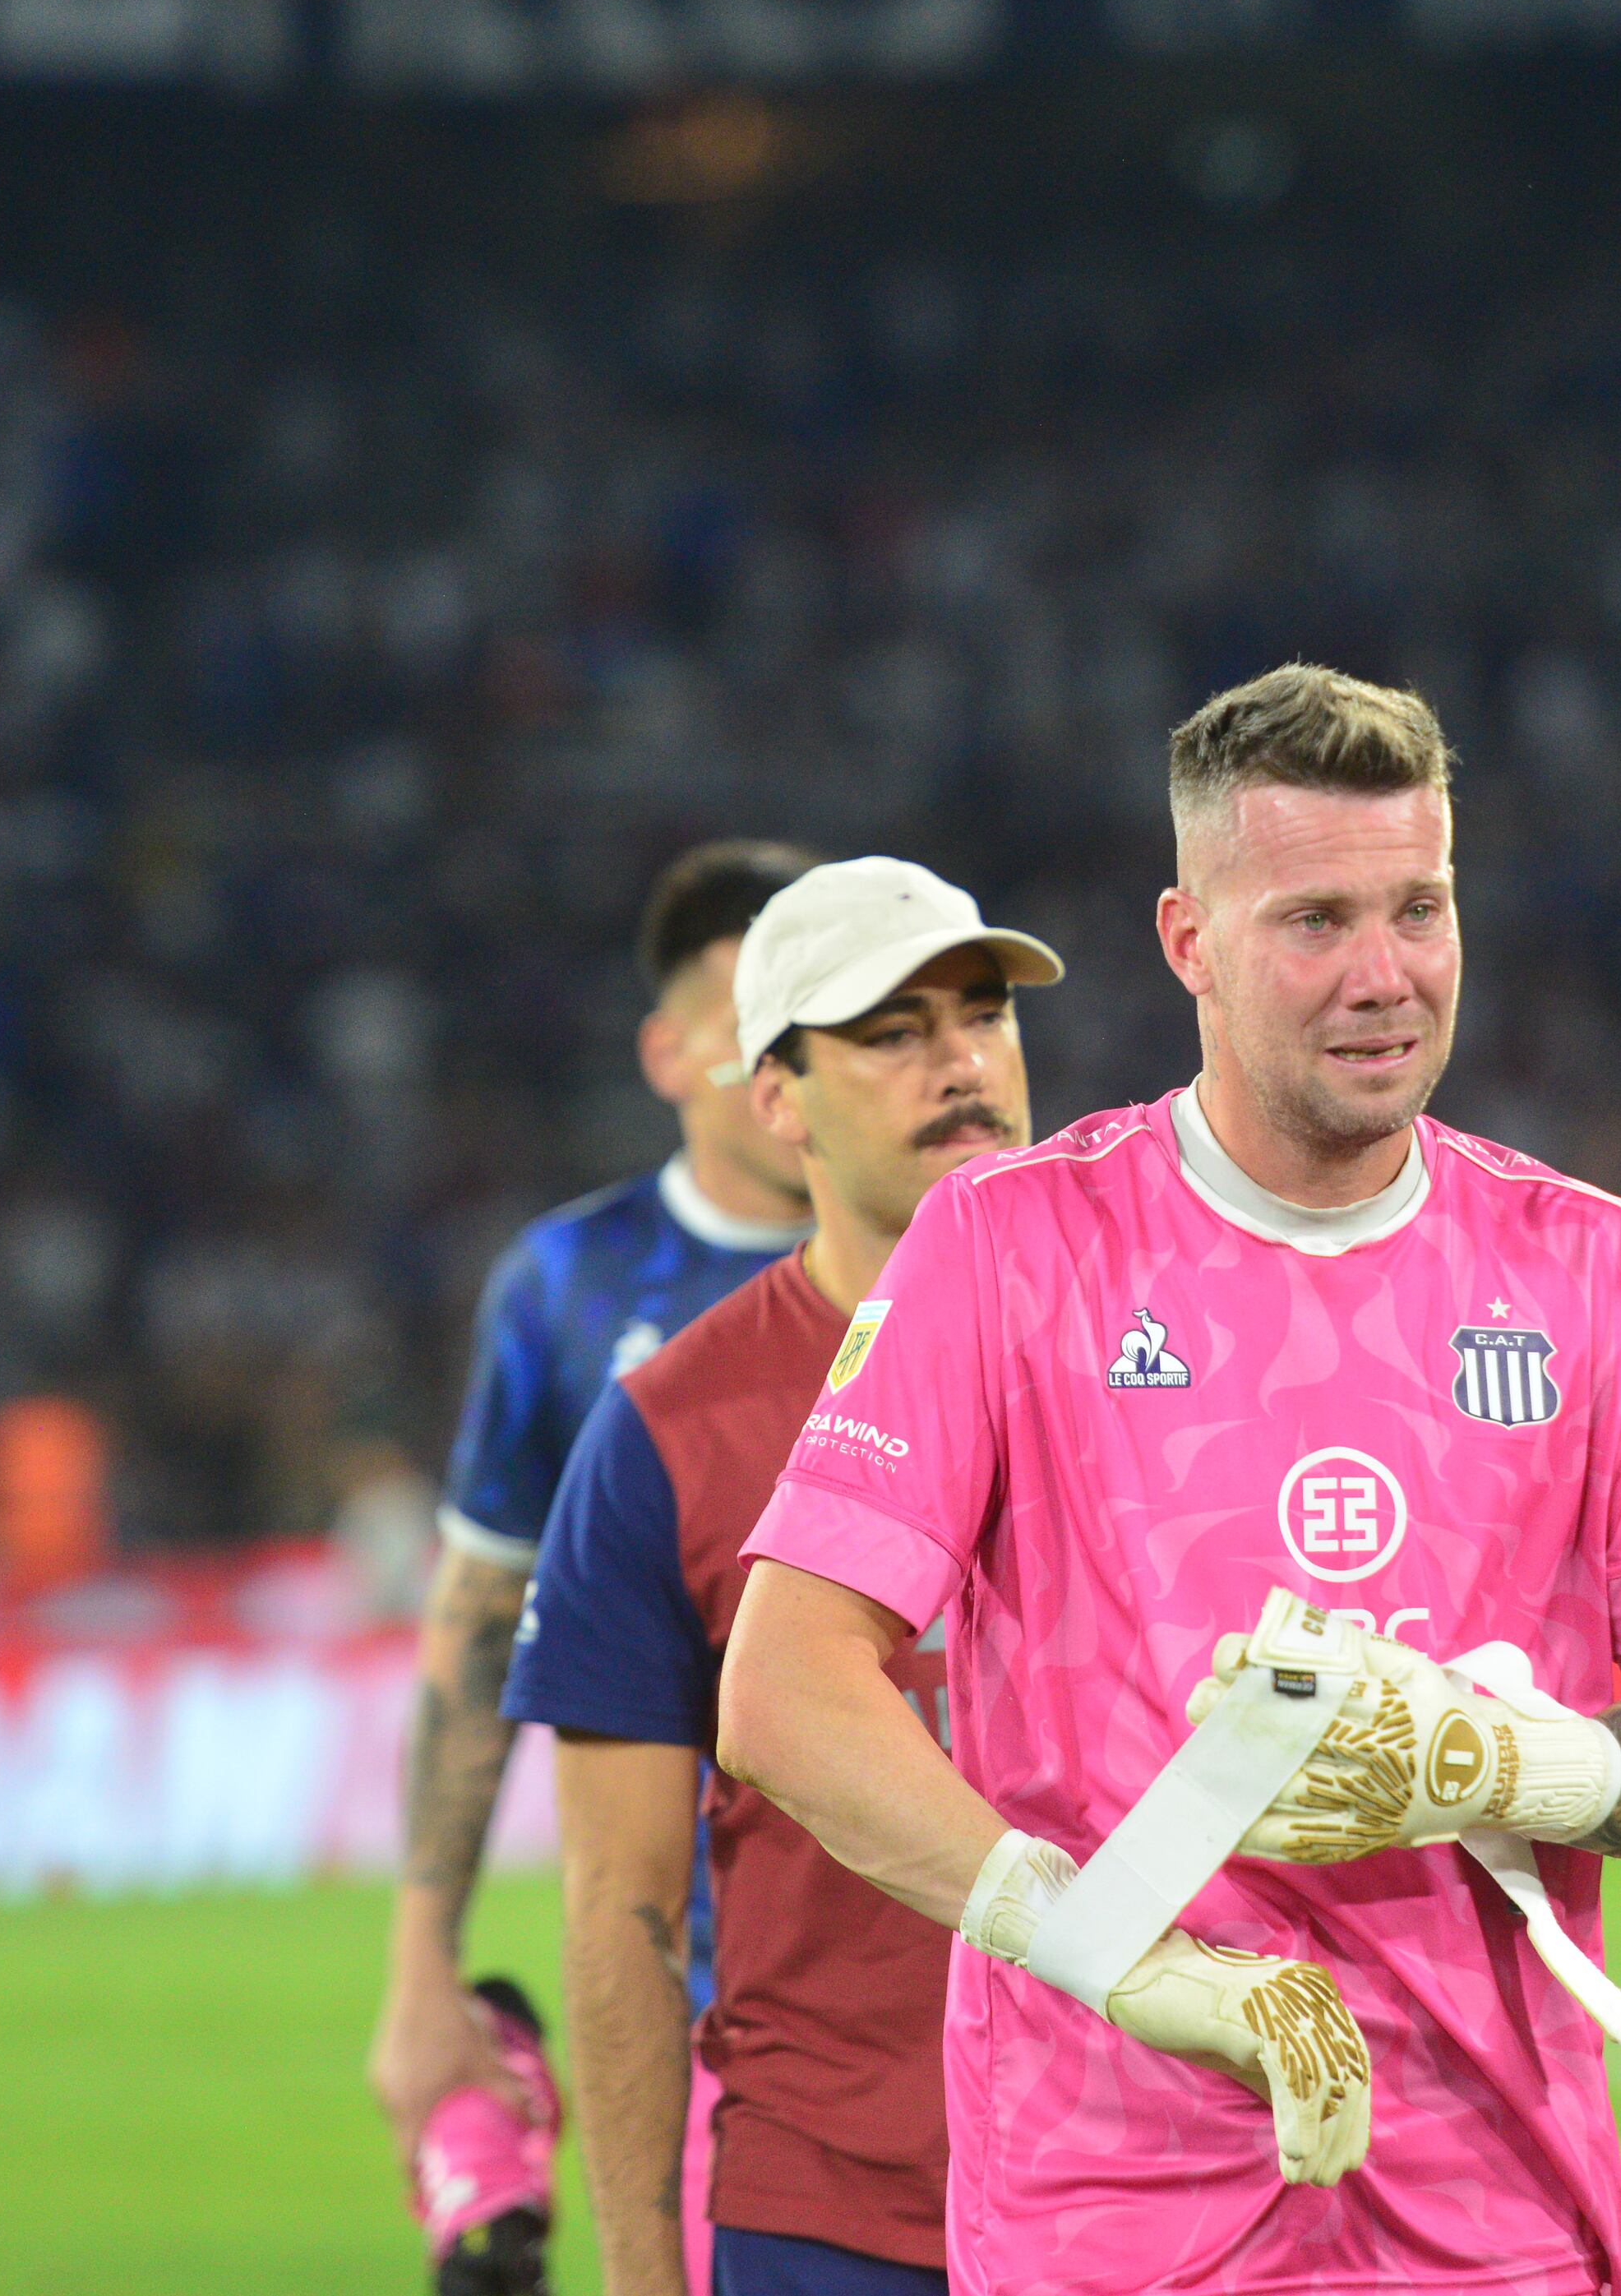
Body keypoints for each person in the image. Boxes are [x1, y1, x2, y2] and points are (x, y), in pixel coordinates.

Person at [714, 663, 1621, 2296]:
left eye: (1418, 908)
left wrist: (1494, 1759)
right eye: (1314, 921)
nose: (1385, 975)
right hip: (1105, 2221)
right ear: (1187, 941)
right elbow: (786, 1691)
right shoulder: (1011, 1250)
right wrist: (1126, 1960)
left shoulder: (1588, 1266)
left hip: (1494, 2226)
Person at [505, 858, 1060, 2296]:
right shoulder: (665, 1435)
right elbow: (620, 1905)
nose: (959, 1061)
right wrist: (640, 2271)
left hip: (1153, 2187)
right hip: (837, 2219)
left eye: (984, 1015)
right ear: (775, 1099)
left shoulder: (1172, 1352)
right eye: (891, 1033)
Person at [371, 841, 819, 2152]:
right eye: (753, 1027)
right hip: (699, 1990)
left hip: (975, 1952)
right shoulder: (568, 1286)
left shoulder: (961, 1249)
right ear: (670, 1055)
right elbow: (477, 1616)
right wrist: (418, 1968)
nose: (787, 1063)